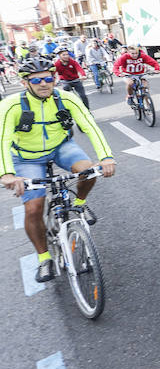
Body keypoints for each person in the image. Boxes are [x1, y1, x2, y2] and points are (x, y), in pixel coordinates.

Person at [0, 57, 116, 282]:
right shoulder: (11, 104)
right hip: (26, 157)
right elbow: (3, 139)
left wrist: (106, 157)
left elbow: (89, 126)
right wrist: (6, 173)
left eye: (48, 79)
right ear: (25, 83)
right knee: (33, 208)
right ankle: (44, 258)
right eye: (36, 81)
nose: (44, 84)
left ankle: (79, 204)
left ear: (54, 79)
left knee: (88, 170)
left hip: (61, 147)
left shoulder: (67, 98)